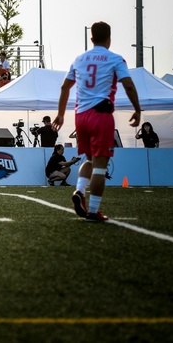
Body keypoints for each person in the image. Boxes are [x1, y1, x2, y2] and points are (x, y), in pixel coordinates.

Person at [53, 21, 141, 223]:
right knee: (101, 166)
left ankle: (80, 191)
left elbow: (65, 87)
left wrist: (60, 114)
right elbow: (127, 85)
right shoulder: (116, 59)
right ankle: (93, 211)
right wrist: (137, 109)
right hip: (100, 114)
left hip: (80, 115)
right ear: (109, 39)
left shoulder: (79, 59)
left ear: (91, 38)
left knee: (90, 160)